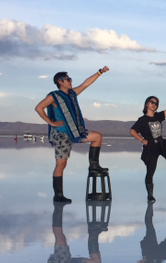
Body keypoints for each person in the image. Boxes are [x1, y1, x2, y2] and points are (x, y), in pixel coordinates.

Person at [35, 68, 110, 204]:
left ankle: (94, 165)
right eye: (68, 79)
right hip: (62, 134)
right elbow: (38, 108)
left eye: (70, 79)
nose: (70, 81)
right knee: (61, 164)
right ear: (59, 81)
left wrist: (100, 72)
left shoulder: (72, 94)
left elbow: (85, 84)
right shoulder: (53, 96)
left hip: (76, 131)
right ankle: (58, 195)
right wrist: (51, 122)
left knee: (97, 136)